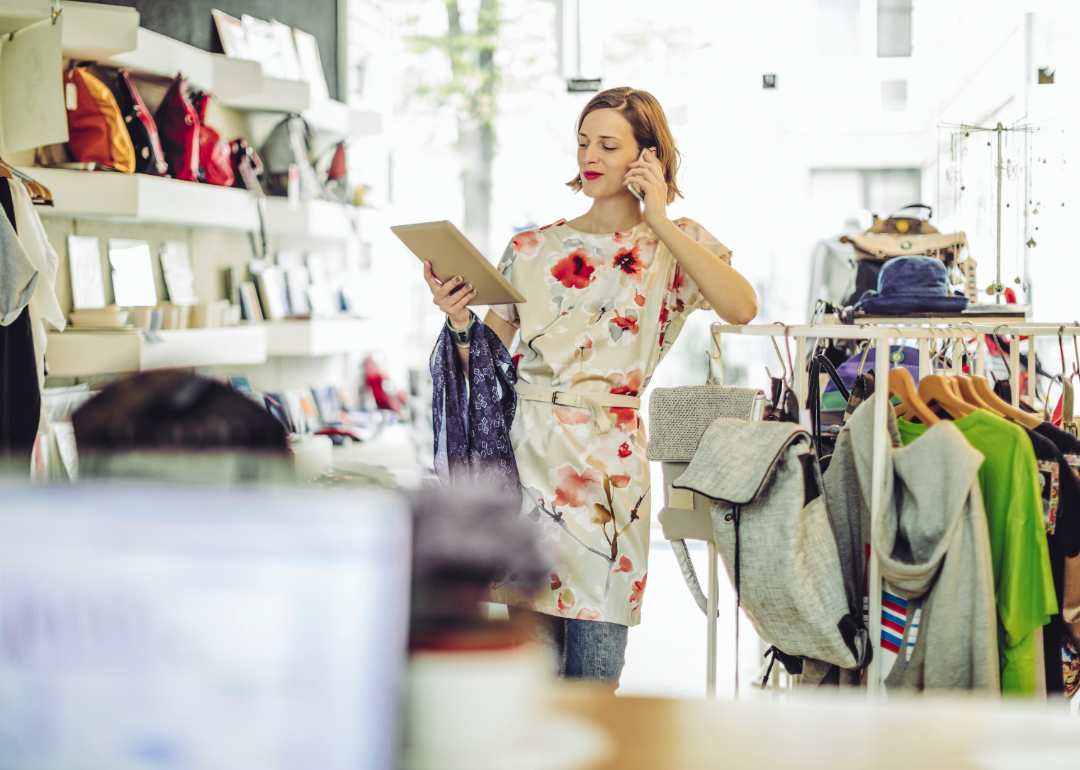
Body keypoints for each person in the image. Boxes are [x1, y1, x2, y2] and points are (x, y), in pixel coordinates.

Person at [422, 86, 757, 688]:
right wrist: (458, 321)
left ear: (647, 157)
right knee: (532, 680)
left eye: (608, 144)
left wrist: (657, 219)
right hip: (527, 464)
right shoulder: (531, 248)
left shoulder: (673, 244)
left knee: (596, 680)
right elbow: (488, 369)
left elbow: (741, 307)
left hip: (610, 472)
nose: (590, 156)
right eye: (582, 142)